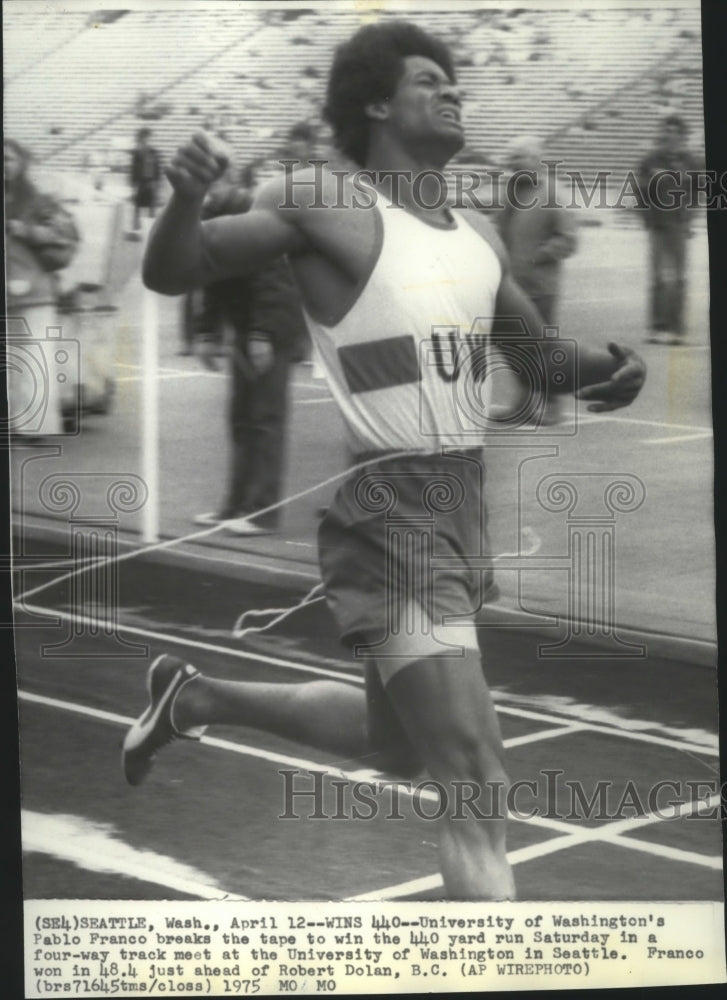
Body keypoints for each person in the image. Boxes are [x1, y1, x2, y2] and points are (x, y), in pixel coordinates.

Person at [124, 21, 646, 900]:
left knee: (395, 738)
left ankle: (194, 697)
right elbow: (179, 271)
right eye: (427, 80)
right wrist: (182, 200)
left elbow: (542, 359)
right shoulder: (321, 200)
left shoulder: (474, 230)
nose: (451, 91)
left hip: (460, 506)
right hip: (393, 510)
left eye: (454, 81)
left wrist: (613, 365)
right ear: (374, 102)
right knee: (476, 780)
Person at [192, 164, 310, 536]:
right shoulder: (209, 212)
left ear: (229, 181)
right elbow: (209, 275)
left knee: (265, 419)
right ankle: (234, 506)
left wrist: (262, 334)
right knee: (241, 418)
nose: (206, 192)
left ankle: (262, 512)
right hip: (246, 326)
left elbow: (274, 278)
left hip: (271, 325)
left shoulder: (256, 213)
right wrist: (206, 333)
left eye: (211, 185)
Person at [497, 135, 578, 424]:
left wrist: (538, 256)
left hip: (542, 286)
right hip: (511, 285)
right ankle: (524, 397)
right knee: (509, 342)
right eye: (511, 159)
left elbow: (569, 240)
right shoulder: (510, 192)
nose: (513, 164)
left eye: (518, 157)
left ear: (535, 160)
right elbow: (500, 231)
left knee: (542, 347)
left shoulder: (555, 193)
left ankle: (553, 404)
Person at [5, 138, 79, 440]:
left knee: (35, 359)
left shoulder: (39, 200)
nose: (4, 165)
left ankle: (35, 426)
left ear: (22, 163)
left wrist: (27, 231)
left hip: (35, 293)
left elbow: (65, 235)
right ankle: (12, 421)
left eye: (8, 159)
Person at [637, 114, 699, 345]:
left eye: (674, 133)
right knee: (658, 278)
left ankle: (677, 329)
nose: (668, 136)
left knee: (679, 278)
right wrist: (646, 218)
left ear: (683, 136)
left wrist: (689, 220)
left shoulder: (692, 162)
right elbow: (639, 191)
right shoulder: (650, 161)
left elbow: (697, 193)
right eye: (665, 131)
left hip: (678, 227)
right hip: (657, 226)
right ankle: (657, 327)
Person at [129, 127, 162, 235]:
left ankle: (152, 229)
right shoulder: (136, 154)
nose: (149, 140)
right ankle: (136, 227)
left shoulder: (154, 153)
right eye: (147, 137)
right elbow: (133, 171)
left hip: (151, 183)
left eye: (150, 138)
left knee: (152, 206)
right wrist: (133, 187)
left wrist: (157, 186)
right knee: (137, 206)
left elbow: (158, 171)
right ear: (142, 138)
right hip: (140, 183)